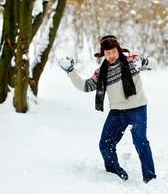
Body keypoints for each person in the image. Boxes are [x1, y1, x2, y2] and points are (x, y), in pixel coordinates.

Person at [58, 35, 157, 183]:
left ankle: (150, 177)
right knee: (105, 144)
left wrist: (144, 61)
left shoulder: (132, 62)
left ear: (118, 50)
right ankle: (115, 174)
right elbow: (85, 86)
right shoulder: (101, 72)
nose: (111, 55)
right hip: (117, 112)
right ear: (103, 54)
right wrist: (71, 71)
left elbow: (154, 64)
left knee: (140, 141)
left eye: (113, 51)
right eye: (107, 53)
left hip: (138, 108)